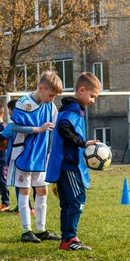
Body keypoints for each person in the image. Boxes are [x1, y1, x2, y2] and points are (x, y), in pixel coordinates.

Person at [46, 72, 101, 251]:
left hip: (63, 165)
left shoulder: (70, 108)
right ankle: (70, 238)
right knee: (77, 200)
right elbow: (64, 130)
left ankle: (66, 239)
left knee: (67, 204)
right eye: (92, 96)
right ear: (81, 90)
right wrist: (83, 143)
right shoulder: (73, 109)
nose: (93, 100)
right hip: (68, 165)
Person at [9, 71, 62, 243]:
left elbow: (55, 129)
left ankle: (41, 229)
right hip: (24, 154)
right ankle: (26, 231)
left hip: (40, 156)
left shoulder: (51, 107)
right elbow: (14, 127)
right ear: (41, 88)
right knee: (24, 190)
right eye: (51, 95)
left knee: (42, 189)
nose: (52, 99)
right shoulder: (24, 103)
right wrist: (37, 129)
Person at [0, 100, 36, 215]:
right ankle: (25, 207)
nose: (9, 113)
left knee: (21, 183)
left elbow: (0, 137)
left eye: (10, 111)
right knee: (21, 183)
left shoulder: (12, 126)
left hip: (16, 157)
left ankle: (26, 208)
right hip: (21, 157)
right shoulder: (23, 124)